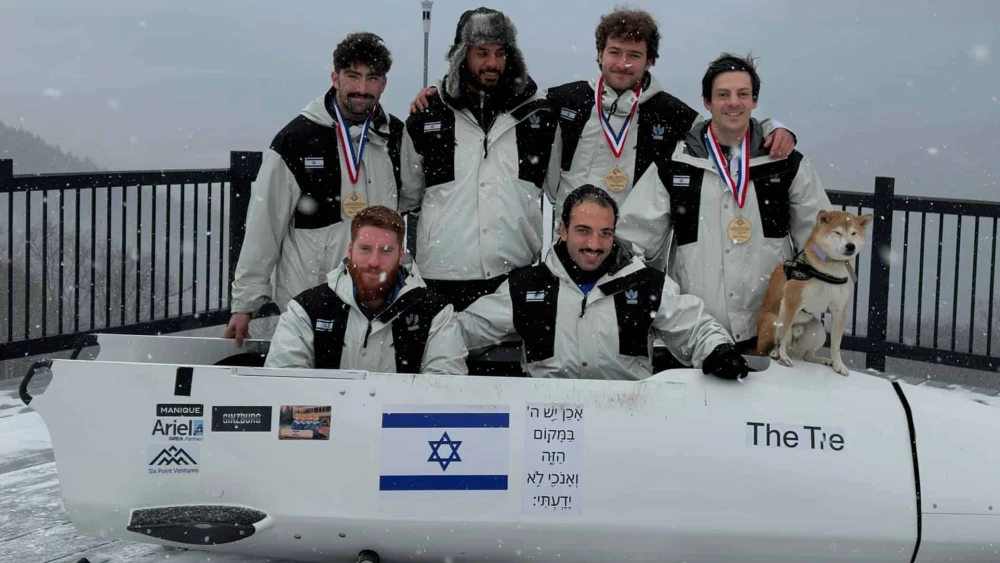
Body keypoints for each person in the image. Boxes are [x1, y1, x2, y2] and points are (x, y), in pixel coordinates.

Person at [408, 7, 796, 228]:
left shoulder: (673, 113)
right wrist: (438, 93)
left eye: (634, 55)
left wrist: (774, 128)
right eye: (614, 52)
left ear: (650, 60)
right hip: (571, 246)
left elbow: (725, 127)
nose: (623, 63)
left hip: (638, 254)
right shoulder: (565, 100)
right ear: (599, 54)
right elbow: (501, 95)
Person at [617, 53, 833, 354]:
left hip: (779, 338)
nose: (733, 102)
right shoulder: (676, 164)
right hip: (698, 340)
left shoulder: (786, 164)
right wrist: (670, 309)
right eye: (722, 94)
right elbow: (631, 243)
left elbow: (824, 245)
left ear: (754, 101)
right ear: (707, 102)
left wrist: (803, 301)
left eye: (743, 94)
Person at [456, 185, 749, 381]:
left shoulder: (644, 283)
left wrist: (717, 350)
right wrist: (431, 330)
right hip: (548, 425)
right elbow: (463, 331)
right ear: (563, 229)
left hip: (626, 418)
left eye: (605, 233)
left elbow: (696, 327)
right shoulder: (527, 287)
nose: (594, 244)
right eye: (583, 231)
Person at [224, 32, 406, 346]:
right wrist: (245, 304)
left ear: (384, 84)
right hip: (310, 303)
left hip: (378, 304)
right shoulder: (296, 139)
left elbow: (415, 201)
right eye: (353, 76)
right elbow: (264, 227)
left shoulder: (396, 137)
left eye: (372, 78)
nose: (362, 89)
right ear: (335, 78)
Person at [398, 7, 561, 312]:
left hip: (515, 275)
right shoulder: (425, 117)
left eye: (500, 53)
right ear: (462, 55)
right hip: (441, 278)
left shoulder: (539, 115)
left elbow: (560, 193)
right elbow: (405, 200)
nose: (492, 63)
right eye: (482, 53)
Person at [264, 206, 468, 374]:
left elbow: (445, 391)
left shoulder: (435, 312)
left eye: (386, 251)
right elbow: (284, 388)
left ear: (400, 256)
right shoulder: (306, 309)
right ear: (350, 251)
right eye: (365, 249)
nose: (374, 261)